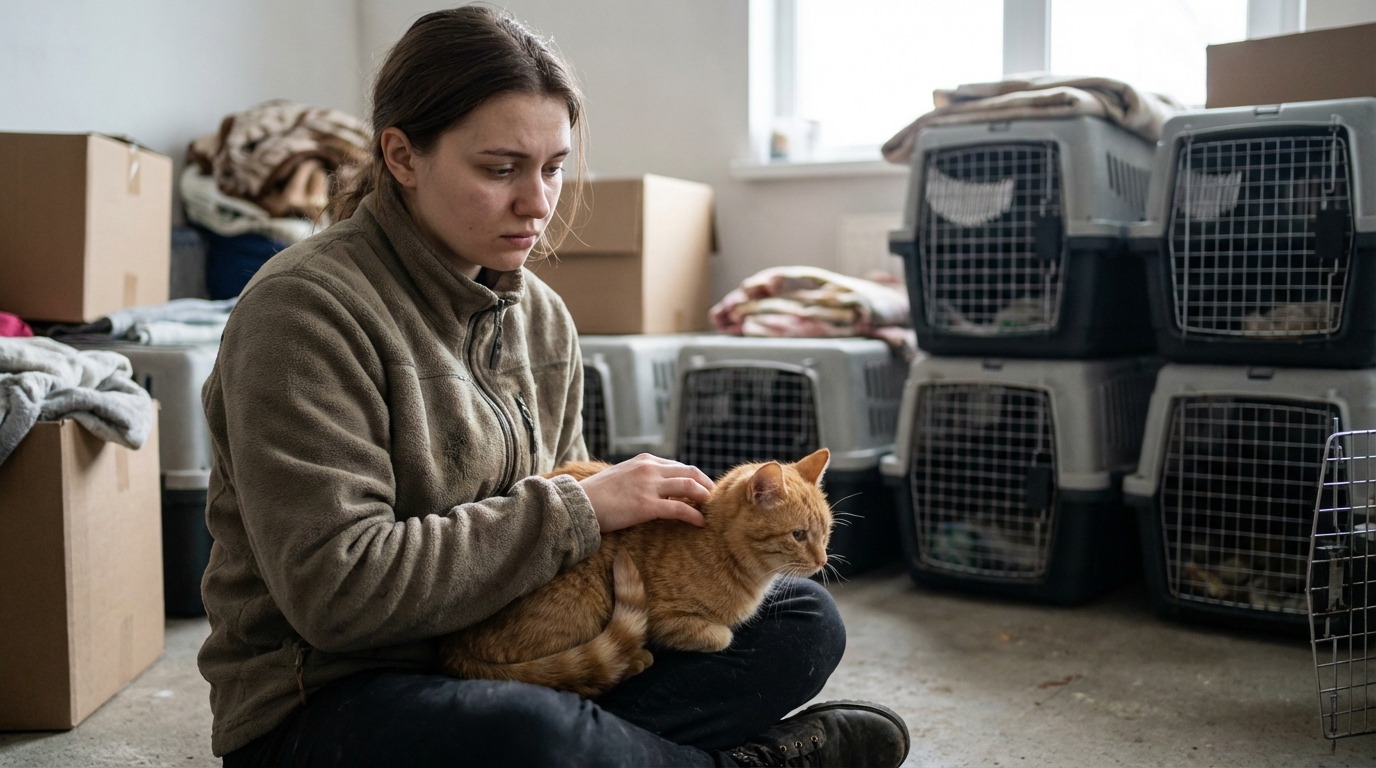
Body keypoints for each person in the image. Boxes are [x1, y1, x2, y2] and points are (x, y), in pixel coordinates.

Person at [201, 6, 910, 767]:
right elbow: (339, 595)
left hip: (520, 651)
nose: (538, 204)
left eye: (554, 167)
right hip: (341, 690)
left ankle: (622, 753)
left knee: (801, 619)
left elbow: (573, 554)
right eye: (500, 169)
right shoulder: (304, 312)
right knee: (529, 737)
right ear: (402, 156)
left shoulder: (539, 314)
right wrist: (579, 507)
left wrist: (662, 539)